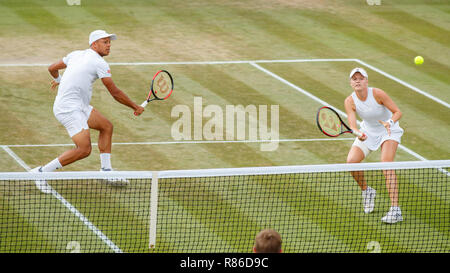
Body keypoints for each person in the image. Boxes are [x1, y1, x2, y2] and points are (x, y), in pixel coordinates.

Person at [31, 30, 145, 193]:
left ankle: (106, 172)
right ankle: (41, 173)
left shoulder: (75, 54)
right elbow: (115, 92)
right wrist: (135, 107)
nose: (109, 45)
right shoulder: (100, 63)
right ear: (94, 44)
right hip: (68, 109)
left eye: (109, 42)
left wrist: (59, 80)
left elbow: (52, 68)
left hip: (80, 106)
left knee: (106, 127)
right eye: (105, 42)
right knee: (84, 149)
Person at [344, 67, 404, 224]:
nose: (357, 80)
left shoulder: (377, 94)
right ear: (351, 83)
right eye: (354, 78)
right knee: (351, 162)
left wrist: (389, 123)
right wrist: (359, 134)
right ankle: (367, 191)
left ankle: (395, 210)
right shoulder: (349, 101)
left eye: (360, 78)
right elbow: (353, 125)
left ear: (366, 81)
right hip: (368, 131)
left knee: (386, 165)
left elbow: (397, 112)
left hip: (389, 131)